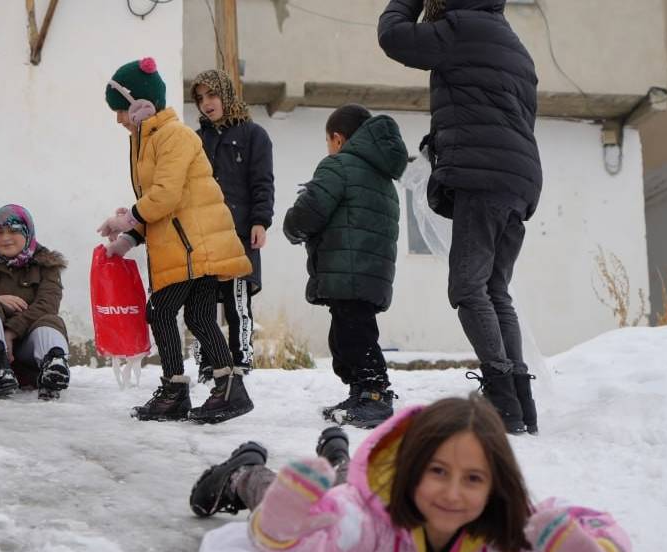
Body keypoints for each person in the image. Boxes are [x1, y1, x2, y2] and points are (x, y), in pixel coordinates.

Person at [188, 395, 631, 552]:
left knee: (339, 477)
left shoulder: (500, 534)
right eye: (438, 471)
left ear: (495, 485)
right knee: (294, 495)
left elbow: (583, 525)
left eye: (473, 479)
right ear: (412, 466)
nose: (453, 494)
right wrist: (283, 521)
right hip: (359, 505)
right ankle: (242, 472)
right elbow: (289, 542)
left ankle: (339, 452)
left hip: (376, 492)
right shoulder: (359, 528)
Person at [378, 0, 543, 435]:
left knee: (469, 287)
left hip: (483, 178)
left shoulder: (460, 28)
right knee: (495, 288)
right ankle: (520, 401)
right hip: (520, 180)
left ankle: (502, 397)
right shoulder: (514, 43)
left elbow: (392, 36)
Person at [98, 57, 254, 423]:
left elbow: (164, 197)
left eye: (121, 110)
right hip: (185, 244)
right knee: (199, 316)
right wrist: (130, 237)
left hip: (193, 245)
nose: (119, 119)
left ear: (141, 106)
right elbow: (161, 206)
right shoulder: (148, 140)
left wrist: (126, 219)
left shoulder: (174, 136)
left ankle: (174, 389)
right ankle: (228, 387)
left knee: (161, 310)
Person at [282, 104, 408, 429]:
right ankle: (360, 393)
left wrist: (293, 226)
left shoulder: (338, 166)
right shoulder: (383, 178)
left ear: (337, 139)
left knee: (354, 334)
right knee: (347, 334)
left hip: (347, 267)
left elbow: (311, 211)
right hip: (370, 271)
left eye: (328, 141)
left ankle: (374, 393)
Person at [187, 69, 275, 383]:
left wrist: (260, 222)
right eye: (200, 98)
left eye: (212, 95)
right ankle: (208, 363)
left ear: (226, 94)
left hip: (238, 230)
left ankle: (241, 360)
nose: (206, 104)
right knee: (202, 302)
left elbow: (262, 183)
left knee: (238, 300)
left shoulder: (254, 135)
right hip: (202, 234)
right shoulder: (195, 140)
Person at [0, 204, 71, 401]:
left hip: (27, 352)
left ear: (27, 231)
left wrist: (11, 331)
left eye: (13, 230)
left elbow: (48, 304)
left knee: (51, 320)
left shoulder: (46, 266)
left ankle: (53, 366)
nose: (5, 238)